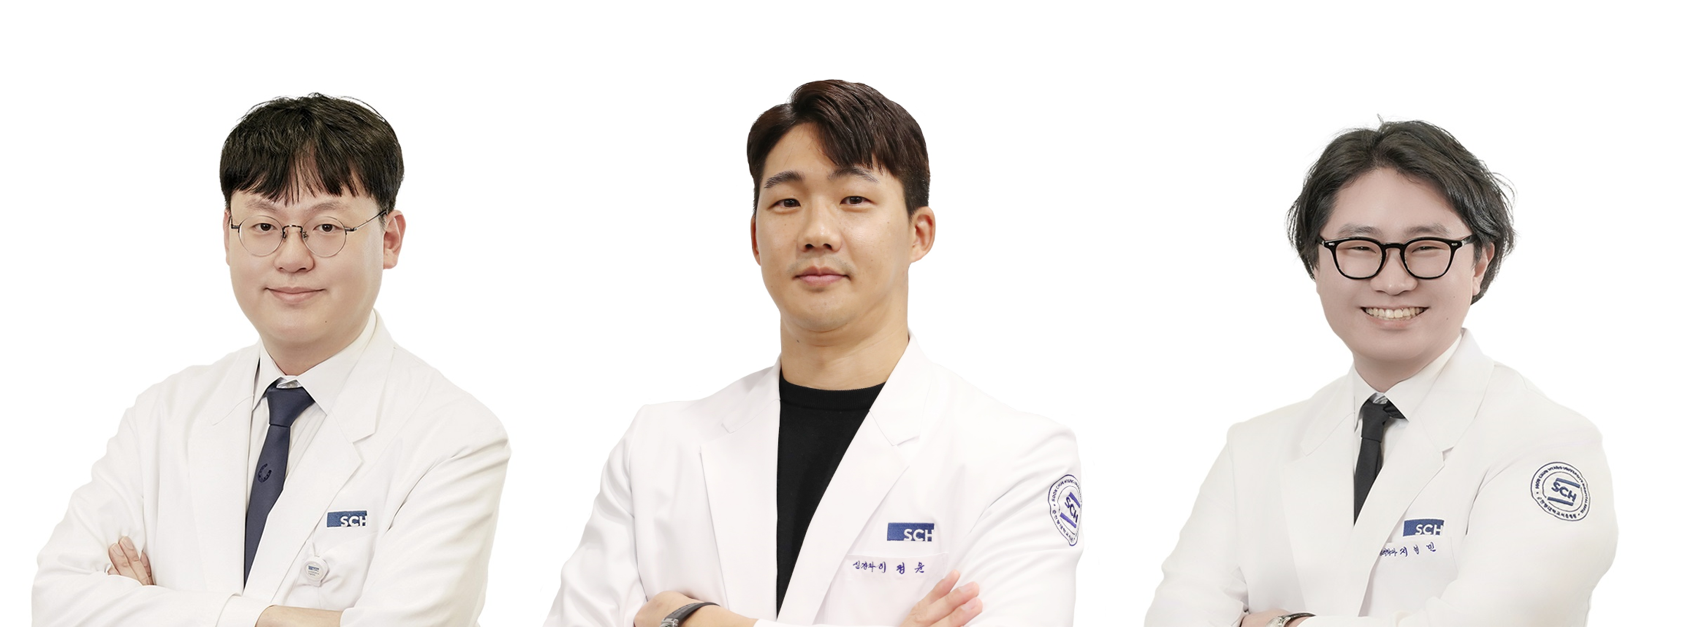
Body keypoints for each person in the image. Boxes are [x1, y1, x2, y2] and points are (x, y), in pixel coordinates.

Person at [544, 80, 1083, 627]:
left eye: (854, 199)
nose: (817, 232)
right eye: (787, 202)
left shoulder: (1017, 459)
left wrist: (684, 620)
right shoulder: (656, 449)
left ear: (918, 234)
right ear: (755, 239)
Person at [33, 94, 510, 627]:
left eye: (326, 227)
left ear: (390, 239)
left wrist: (155, 608)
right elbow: (57, 601)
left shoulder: (454, 436)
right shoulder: (164, 415)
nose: (291, 257)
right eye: (264, 226)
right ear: (228, 235)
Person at [1145, 120, 1617, 626]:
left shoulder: (1546, 443)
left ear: (1480, 262)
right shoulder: (1253, 450)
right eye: (1359, 247)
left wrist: (1281, 625)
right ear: (1315, 262)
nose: (1393, 281)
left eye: (1427, 247)